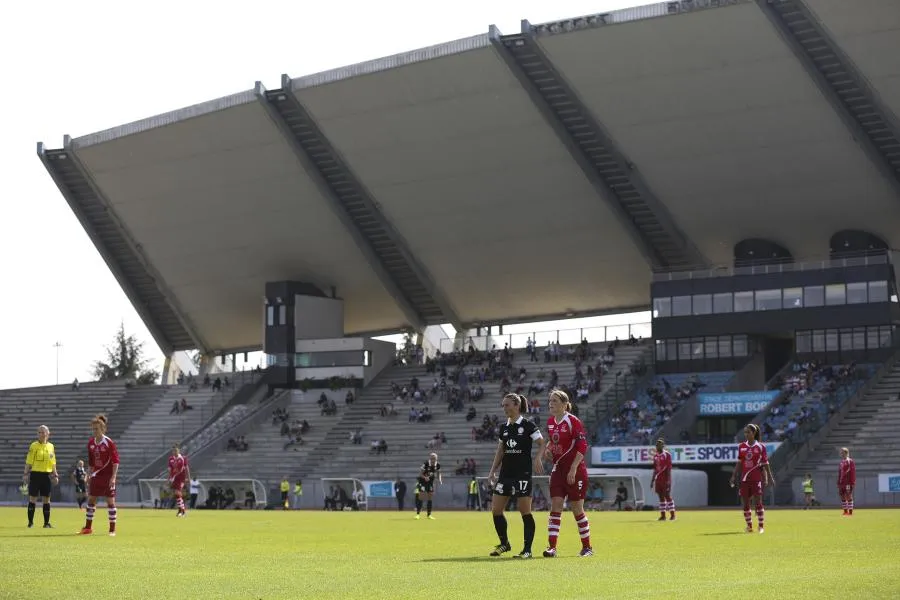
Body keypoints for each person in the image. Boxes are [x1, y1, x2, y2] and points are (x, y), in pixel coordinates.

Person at [486, 393, 545, 558]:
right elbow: (500, 451)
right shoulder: (504, 427)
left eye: (507, 405)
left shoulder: (528, 425)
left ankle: (527, 550)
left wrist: (538, 458)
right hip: (506, 473)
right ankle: (504, 544)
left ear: (516, 406)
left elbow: (542, 443)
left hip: (522, 473)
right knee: (496, 510)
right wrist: (492, 471)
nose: (504, 408)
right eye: (503, 405)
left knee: (524, 510)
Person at [543, 389, 593, 557]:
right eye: (550, 401)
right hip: (557, 470)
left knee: (577, 509)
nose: (551, 403)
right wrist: (548, 450)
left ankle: (587, 547)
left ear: (565, 404)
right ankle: (552, 548)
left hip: (575, 471)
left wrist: (573, 469)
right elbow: (552, 440)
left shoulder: (573, 421)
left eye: (555, 401)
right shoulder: (550, 422)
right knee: (555, 507)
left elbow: (582, 446)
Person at [729, 424, 773, 534]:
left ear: (754, 433)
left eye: (748, 432)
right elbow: (739, 463)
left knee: (758, 502)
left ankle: (761, 526)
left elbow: (765, 463)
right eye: (745, 432)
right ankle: (749, 526)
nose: (746, 434)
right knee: (745, 503)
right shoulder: (741, 446)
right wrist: (734, 475)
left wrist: (769, 477)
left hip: (756, 478)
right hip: (744, 479)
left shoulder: (761, 447)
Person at [80, 414, 120, 536]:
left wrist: (113, 477)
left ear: (103, 429)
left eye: (97, 429)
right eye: (93, 429)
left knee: (110, 502)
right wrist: (88, 475)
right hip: (96, 476)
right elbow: (91, 463)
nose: (94, 431)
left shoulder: (109, 443)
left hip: (107, 476)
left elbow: (116, 461)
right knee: (91, 500)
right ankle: (88, 528)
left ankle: (112, 530)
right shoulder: (91, 443)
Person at [23, 425, 59, 529]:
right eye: (40, 432)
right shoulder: (33, 446)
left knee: (47, 500)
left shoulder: (51, 446)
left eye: (44, 432)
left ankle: (46, 523)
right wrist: (25, 474)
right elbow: (29, 461)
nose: (42, 434)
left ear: (48, 434)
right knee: (32, 499)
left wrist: (55, 474)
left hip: (46, 476)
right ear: (37, 434)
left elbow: (53, 462)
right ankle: (30, 523)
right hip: (35, 474)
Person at [650, 438, 675, 521]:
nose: (657, 446)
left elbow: (668, 468)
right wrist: (652, 480)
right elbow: (655, 469)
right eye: (656, 445)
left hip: (665, 479)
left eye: (659, 444)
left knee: (667, 496)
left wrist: (668, 480)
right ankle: (663, 516)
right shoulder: (656, 456)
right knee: (660, 497)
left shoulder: (667, 455)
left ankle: (673, 515)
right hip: (658, 480)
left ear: (663, 446)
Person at [416, 452, 442, 519]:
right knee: (421, 497)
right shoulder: (426, 464)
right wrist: (425, 477)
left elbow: (439, 473)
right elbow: (420, 474)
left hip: (430, 482)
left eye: (434, 458)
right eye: (432, 458)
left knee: (430, 498)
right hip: (423, 482)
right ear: (430, 458)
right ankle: (418, 514)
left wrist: (439, 479)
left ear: (436, 459)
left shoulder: (438, 465)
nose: (433, 460)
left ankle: (429, 515)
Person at [168, 445, 190, 517]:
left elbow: (186, 468)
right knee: (176, 494)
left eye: (175, 450)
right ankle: (181, 510)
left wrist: (188, 478)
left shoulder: (183, 458)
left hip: (181, 478)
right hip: (174, 478)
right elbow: (170, 469)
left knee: (177, 492)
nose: (174, 452)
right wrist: (169, 478)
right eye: (173, 450)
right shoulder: (171, 458)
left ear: (179, 450)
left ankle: (182, 511)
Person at [838, 447, 856, 516]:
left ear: (845, 453)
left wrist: (853, 482)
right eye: (841, 452)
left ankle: (850, 512)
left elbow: (853, 472)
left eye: (842, 452)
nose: (841, 453)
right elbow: (840, 473)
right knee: (842, 496)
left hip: (848, 482)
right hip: (842, 482)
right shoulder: (841, 462)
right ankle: (845, 511)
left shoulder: (850, 461)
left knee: (848, 495)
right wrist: (838, 482)